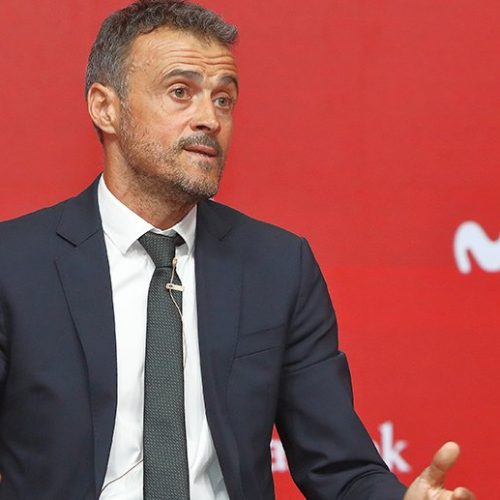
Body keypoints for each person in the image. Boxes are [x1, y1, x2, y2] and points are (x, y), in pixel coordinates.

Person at [0, 1, 475, 499]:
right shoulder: (14, 266)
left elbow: (340, 468)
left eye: (223, 99)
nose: (209, 118)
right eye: (180, 92)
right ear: (106, 107)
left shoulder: (277, 267)